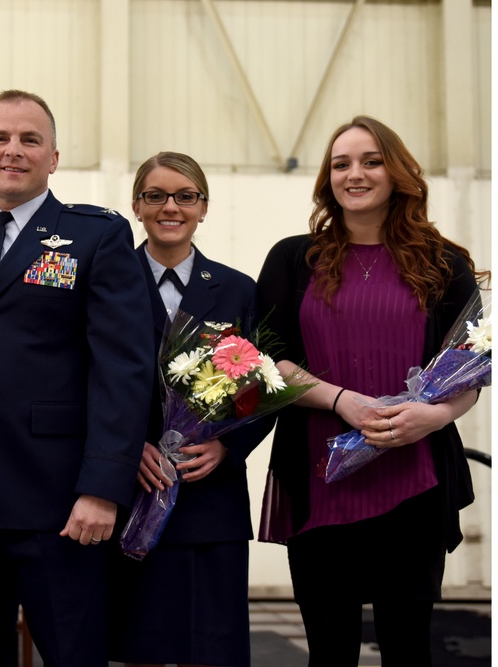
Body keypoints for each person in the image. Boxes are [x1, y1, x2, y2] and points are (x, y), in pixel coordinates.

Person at [0, 90, 155, 666]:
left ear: (53, 157)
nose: (13, 150)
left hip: (59, 500)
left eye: (30, 140)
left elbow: (123, 367)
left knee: (73, 653)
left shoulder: (95, 236)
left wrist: (102, 487)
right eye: (0, 138)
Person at [256, 116, 486, 667]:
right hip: (320, 474)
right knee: (329, 652)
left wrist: (432, 418)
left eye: (370, 160)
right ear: (326, 178)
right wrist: (341, 401)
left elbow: (471, 370)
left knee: (408, 647)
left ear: (398, 172)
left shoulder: (444, 263)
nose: (354, 173)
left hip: (415, 478)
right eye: (341, 164)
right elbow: (264, 360)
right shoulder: (294, 258)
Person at [107, 152, 264, 667]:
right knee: (138, 646)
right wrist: (126, 450)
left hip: (208, 499)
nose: (170, 207)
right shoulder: (105, 283)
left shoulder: (238, 289)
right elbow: (78, 381)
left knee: (211, 648)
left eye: (185, 196)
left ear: (203, 207)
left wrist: (227, 445)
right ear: (136, 205)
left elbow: (264, 388)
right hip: (128, 495)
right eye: (156, 196)